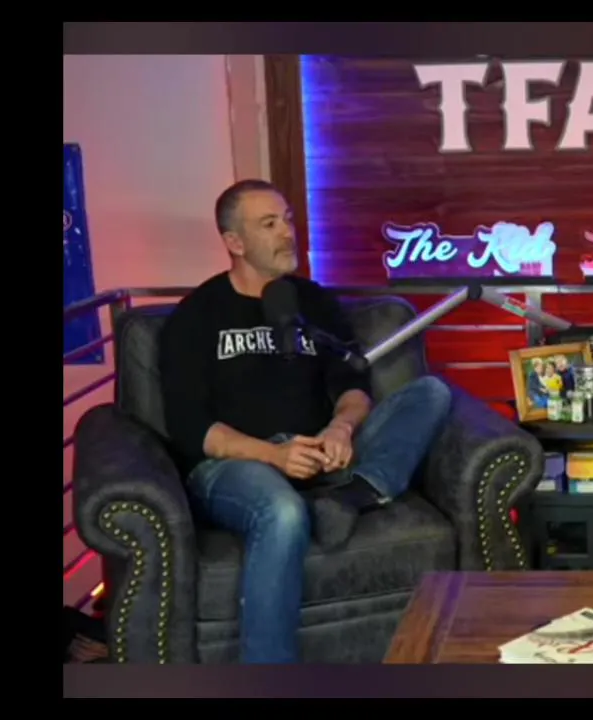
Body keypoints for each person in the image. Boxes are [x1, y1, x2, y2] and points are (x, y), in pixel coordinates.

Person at [157, 179, 454, 664]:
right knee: (284, 513)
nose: (287, 232)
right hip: (235, 465)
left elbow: (352, 385)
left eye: (288, 219)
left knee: (431, 393)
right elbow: (192, 427)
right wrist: (273, 455)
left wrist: (341, 428)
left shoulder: (312, 302)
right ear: (234, 242)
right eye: (269, 224)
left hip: (319, 452)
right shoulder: (196, 317)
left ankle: (352, 495)